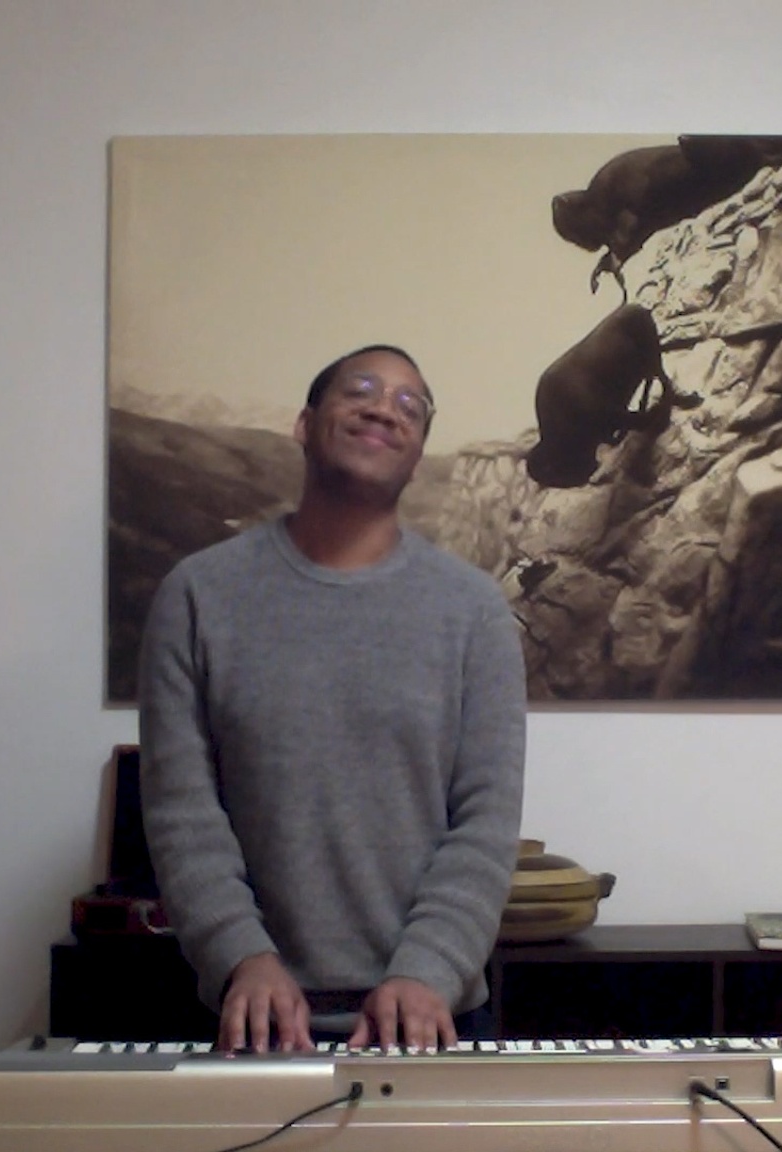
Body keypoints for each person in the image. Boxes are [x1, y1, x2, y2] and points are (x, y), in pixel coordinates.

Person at [138, 344, 527, 1056]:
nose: (386, 408)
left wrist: (427, 971)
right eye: (364, 390)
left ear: (416, 456)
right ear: (304, 423)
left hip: (429, 1021)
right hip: (248, 1019)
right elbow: (181, 812)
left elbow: (486, 820)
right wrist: (241, 959)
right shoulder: (198, 595)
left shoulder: (474, 611)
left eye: (412, 406)